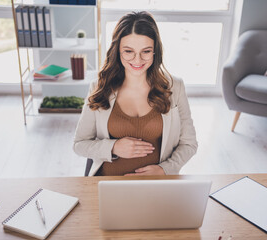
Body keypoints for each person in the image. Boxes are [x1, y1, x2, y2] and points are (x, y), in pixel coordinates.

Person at [73, 11, 197, 176]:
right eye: (129, 51)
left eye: (145, 51)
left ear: (155, 51)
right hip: (107, 184)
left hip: (156, 186)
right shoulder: (100, 87)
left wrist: (165, 169)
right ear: (118, 51)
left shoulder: (175, 87)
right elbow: (79, 144)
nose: (137, 60)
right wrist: (114, 147)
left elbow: (189, 144)